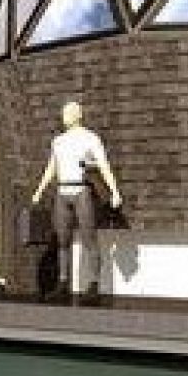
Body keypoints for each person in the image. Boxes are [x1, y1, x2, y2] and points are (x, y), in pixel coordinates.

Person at [32, 101, 121, 302]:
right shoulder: (58, 141)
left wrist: (114, 191)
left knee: (89, 239)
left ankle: (94, 285)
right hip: (62, 192)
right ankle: (63, 283)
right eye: (63, 112)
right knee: (62, 240)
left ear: (78, 115)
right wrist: (39, 190)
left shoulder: (90, 138)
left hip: (82, 191)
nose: (64, 116)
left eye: (68, 113)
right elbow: (51, 168)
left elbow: (104, 165)